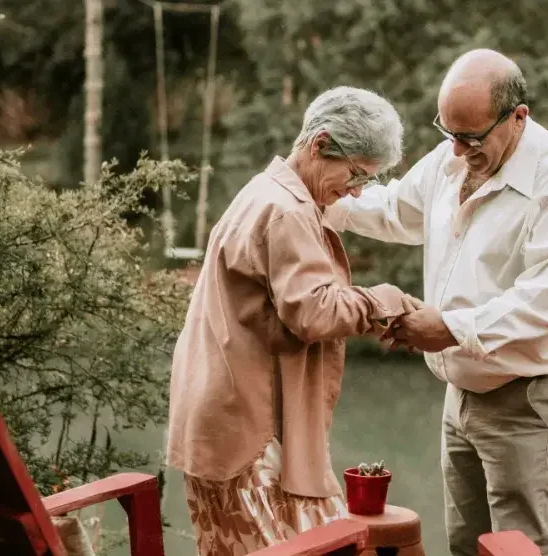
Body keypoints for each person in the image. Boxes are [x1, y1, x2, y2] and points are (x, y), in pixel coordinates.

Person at [325, 50, 548, 555]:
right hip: (462, 390)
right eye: (448, 133)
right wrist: (323, 194)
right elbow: (396, 209)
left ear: (518, 116)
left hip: (530, 393)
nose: (456, 150)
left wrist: (450, 328)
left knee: (518, 547)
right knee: (465, 545)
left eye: (471, 137)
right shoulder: (452, 157)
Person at [167, 86, 421, 556]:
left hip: (227, 419)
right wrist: (383, 300)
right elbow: (314, 312)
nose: (358, 190)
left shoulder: (267, 193)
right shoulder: (286, 211)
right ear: (320, 144)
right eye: (357, 173)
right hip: (246, 431)